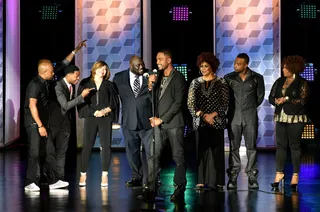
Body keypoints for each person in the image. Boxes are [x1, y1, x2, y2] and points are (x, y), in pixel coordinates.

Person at [146, 49, 187, 202]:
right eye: (157, 59)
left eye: (160, 59)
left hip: (174, 123)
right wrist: (150, 86)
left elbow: (178, 103)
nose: (157, 62)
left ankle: (179, 189)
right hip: (158, 123)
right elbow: (153, 100)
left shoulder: (178, 78)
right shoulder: (157, 78)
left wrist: (162, 119)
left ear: (169, 60)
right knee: (153, 155)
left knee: (178, 156)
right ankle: (151, 188)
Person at [24, 59, 69, 191]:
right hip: (34, 123)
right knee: (35, 152)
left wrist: (75, 51)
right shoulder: (34, 84)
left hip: (42, 123)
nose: (53, 72)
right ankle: (30, 182)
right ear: (45, 71)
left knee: (50, 151)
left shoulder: (46, 83)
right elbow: (32, 106)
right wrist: (39, 125)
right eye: (51, 70)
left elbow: (61, 66)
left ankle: (54, 180)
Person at [187, 52, 229, 190]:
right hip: (200, 122)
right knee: (201, 152)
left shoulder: (221, 82)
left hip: (216, 122)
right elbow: (190, 103)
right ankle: (200, 181)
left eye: (206, 66)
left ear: (212, 67)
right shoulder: (195, 83)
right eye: (201, 66)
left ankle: (218, 182)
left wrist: (213, 115)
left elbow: (225, 103)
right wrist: (203, 115)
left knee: (217, 152)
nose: (203, 69)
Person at [224, 53, 265, 189]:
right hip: (234, 116)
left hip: (250, 116)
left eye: (239, 64)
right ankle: (233, 176)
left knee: (251, 147)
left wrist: (248, 108)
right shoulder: (228, 78)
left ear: (246, 64)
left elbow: (259, 98)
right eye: (235, 63)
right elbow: (226, 98)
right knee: (233, 147)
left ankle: (252, 176)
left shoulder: (257, 78)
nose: (235, 65)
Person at [47, 65, 94, 182]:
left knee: (62, 153)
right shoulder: (58, 85)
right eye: (76, 76)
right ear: (68, 74)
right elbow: (66, 105)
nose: (78, 79)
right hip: (54, 124)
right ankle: (49, 178)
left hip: (66, 124)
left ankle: (59, 179)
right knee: (50, 153)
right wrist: (82, 96)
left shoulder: (71, 86)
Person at [269, 55, 309, 190]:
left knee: (294, 146)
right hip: (281, 117)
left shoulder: (302, 83)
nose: (283, 70)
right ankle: (279, 173)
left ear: (293, 68)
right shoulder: (279, 81)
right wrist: (276, 100)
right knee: (280, 146)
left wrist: (286, 99)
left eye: (286, 68)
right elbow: (271, 97)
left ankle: (295, 175)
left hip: (296, 118)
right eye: (283, 67)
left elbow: (302, 100)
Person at [77, 61, 118, 187]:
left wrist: (105, 111)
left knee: (106, 146)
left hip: (105, 118)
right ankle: (83, 174)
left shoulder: (109, 85)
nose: (103, 71)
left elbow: (115, 102)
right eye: (101, 68)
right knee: (87, 146)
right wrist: (94, 112)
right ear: (95, 69)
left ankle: (104, 175)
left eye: (105, 69)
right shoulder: (85, 83)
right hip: (91, 117)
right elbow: (81, 101)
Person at [113, 56, 152, 187]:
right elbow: (114, 99)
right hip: (129, 120)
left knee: (152, 153)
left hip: (148, 121)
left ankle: (152, 179)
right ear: (130, 65)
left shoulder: (151, 75)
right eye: (138, 66)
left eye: (142, 64)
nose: (141, 67)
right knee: (132, 152)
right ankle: (136, 177)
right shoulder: (119, 78)